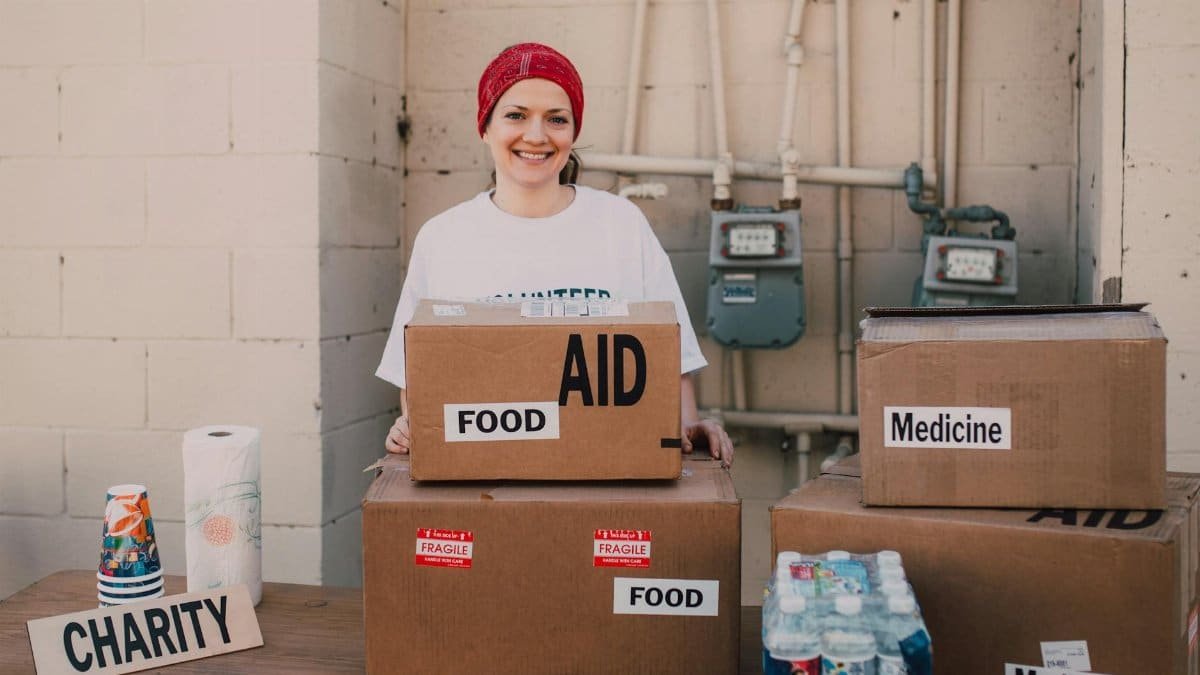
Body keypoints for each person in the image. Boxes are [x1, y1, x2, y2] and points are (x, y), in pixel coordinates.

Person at [376, 42, 733, 467]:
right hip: (484, 478)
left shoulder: (620, 224)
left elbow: (670, 360)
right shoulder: (443, 237)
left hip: (605, 474)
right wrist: (414, 426)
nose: (537, 135)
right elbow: (415, 375)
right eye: (516, 115)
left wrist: (685, 430)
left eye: (556, 119)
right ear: (485, 126)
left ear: (573, 132)